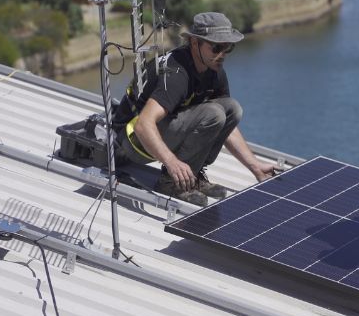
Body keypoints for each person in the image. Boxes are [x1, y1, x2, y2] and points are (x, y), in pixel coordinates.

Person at [114, 12, 277, 206]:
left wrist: (255, 167)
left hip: (159, 134)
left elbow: (228, 123)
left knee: (232, 108)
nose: (222, 54)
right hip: (130, 142)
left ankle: (192, 175)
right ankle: (171, 182)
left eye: (227, 48)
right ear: (194, 43)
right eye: (216, 47)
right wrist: (171, 163)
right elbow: (143, 125)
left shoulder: (214, 71)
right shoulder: (176, 74)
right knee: (213, 113)